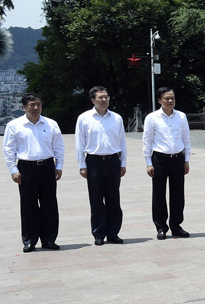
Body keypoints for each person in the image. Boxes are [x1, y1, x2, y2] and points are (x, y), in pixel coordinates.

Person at [3, 93, 65, 252]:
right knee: (28, 205)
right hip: (26, 167)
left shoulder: (51, 124)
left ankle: (49, 239)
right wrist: (13, 170)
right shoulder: (14, 125)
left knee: (49, 204)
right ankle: (29, 240)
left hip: (47, 166)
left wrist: (59, 166)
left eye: (38, 104)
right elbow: (8, 150)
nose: (36, 108)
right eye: (32, 105)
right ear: (24, 107)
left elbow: (59, 147)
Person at [75, 86, 127, 246]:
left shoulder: (116, 118)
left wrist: (123, 163)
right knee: (96, 200)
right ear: (93, 100)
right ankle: (99, 234)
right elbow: (79, 143)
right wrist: (82, 165)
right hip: (94, 161)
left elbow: (122, 141)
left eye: (106, 97)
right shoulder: (84, 118)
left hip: (113, 161)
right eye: (100, 97)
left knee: (114, 199)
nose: (104, 100)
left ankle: (113, 233)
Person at [142, 87, 191, 240]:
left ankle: (176, 226)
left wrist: (187, 159)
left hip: (177, 158)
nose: (170, 101)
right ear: (159, 100)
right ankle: (161, 227)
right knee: (158, 194)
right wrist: (148, 163)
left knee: (178, 194)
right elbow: (147, 141)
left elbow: (186, 139)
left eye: (172, 98)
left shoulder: (181, 117)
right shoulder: (152, 117)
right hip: (160, 159)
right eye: (166, 98)